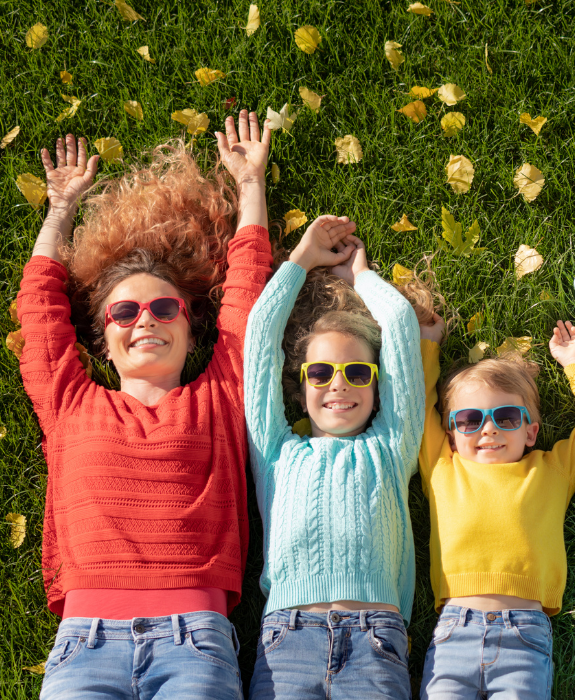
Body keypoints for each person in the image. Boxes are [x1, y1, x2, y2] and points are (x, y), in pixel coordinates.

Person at [18, 112, 273, 698]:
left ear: (189, 327)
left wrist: (250, 185)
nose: (145, 322)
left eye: (165, 309)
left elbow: (247, 298)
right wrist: (61, 209)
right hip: (85, 643)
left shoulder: (221, 397)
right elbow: (39, 312)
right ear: (103, 340)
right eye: (125, 313)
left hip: (196, 641)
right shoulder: (68, 401)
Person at [244, 217, 434, 699]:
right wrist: (300, 262)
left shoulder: (392, 447)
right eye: (322, 371)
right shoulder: (276, 453)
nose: (338, 384)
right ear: (302, 382)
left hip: (376, 639)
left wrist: (362, 278)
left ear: (377, 383)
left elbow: (399, 325)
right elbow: (260, 339)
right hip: (286, 641)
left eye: (356, 371)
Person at [417, 319, 575, 699]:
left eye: (505, 418)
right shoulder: (442, 465)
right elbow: (418, 404)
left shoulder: (551, 469)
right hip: (453, 633)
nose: (488, 430)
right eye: (470, 420)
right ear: (450, 434)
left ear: (531, 431)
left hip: (525, 633)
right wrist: (428, 346)